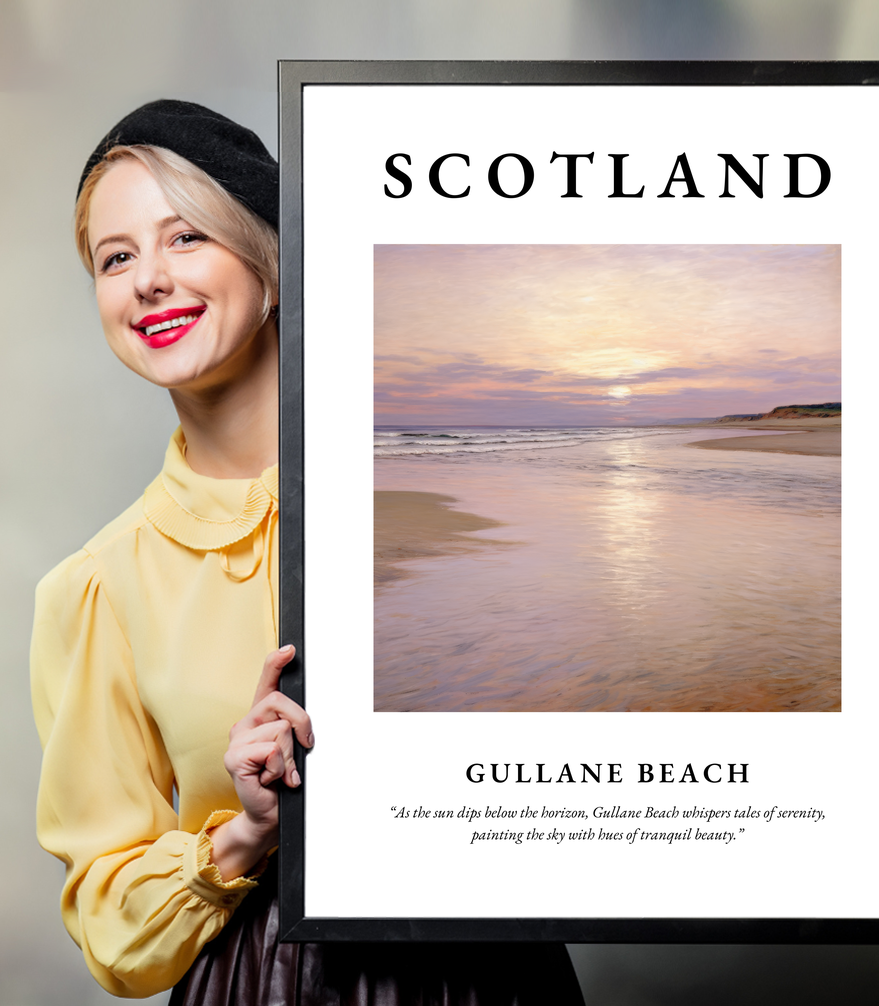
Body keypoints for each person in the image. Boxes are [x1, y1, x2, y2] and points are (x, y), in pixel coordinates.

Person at [30, 100, 585, 1004]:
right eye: (116, 257)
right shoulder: (97, 587)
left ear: (273, 264)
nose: (148, 281)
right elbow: (110, 924)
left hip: (492, 972)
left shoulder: (458, 505)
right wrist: (244, 833)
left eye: (186, 238)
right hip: (263, 981)